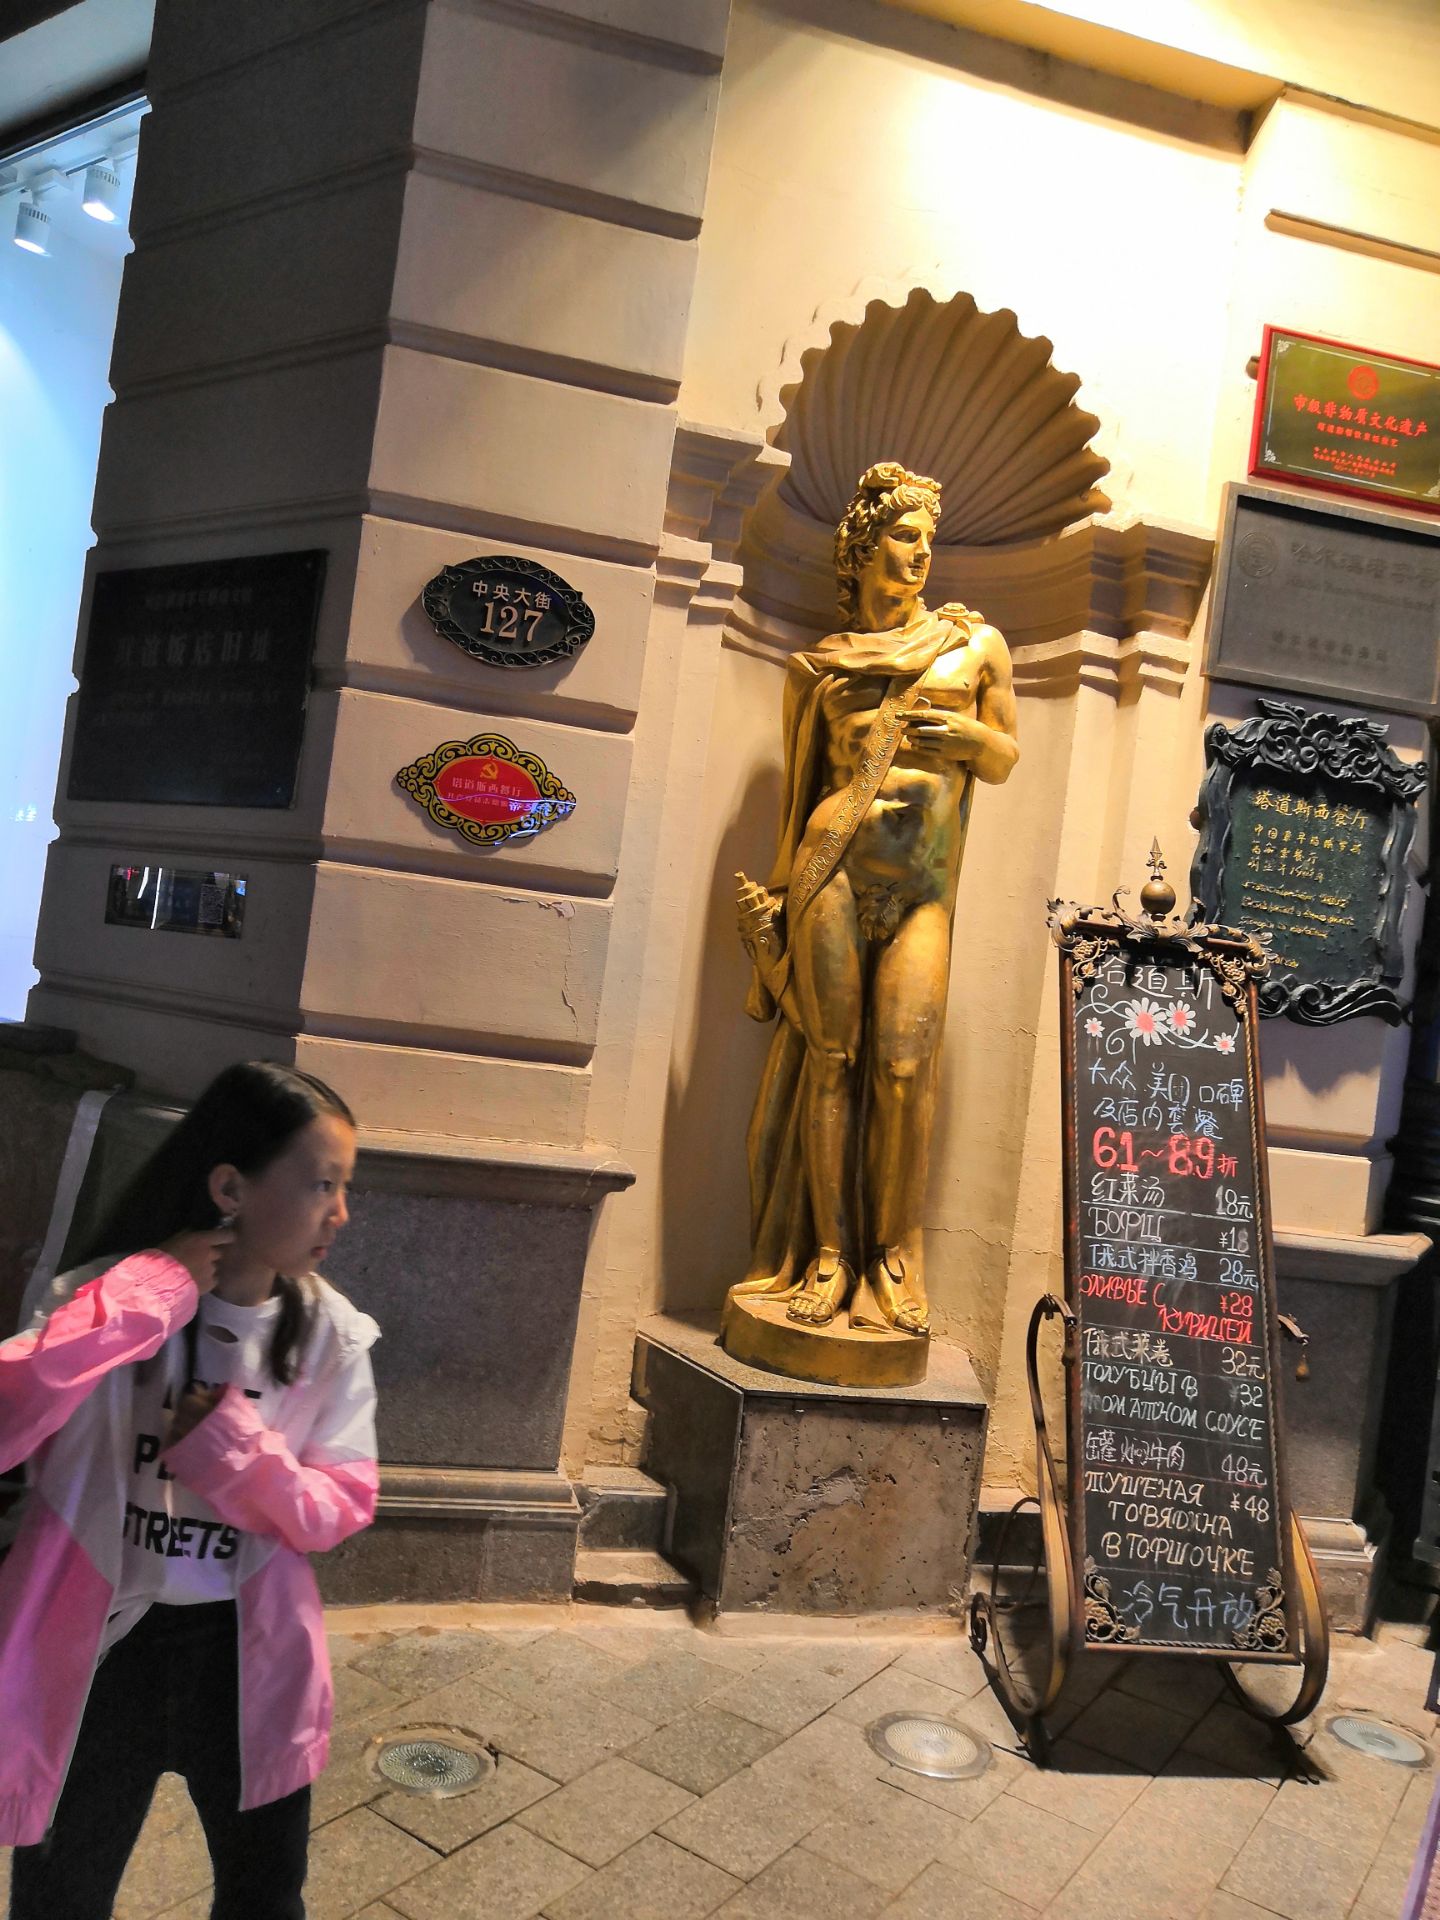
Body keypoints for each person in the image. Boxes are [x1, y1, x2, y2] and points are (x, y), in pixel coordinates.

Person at [0, 1061, 379, 1920]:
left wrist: (233, 1450)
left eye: (344, 1187)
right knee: (59, 1900)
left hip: (247, 1655)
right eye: (322, 1184)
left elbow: (338, 1510)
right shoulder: (98, 1299)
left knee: (264, 1897)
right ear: (230, 1187)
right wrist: (146, 1296)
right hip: (100, 1656)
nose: (341, 1213)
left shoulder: (332, 1336)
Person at [731, 461, 1019, 1340]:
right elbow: (799, 800)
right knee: (832, 1059)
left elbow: (1005, 757)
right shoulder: (818, 666)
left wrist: (967, 735)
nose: (921, 552)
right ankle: (828, 1255)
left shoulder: (975, 644)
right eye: (904, 535)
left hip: (922, 887)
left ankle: (890, 1256)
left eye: (929, 537)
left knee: (901, 1066)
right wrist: (775, 913)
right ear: (861, 549)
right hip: (833, 871)